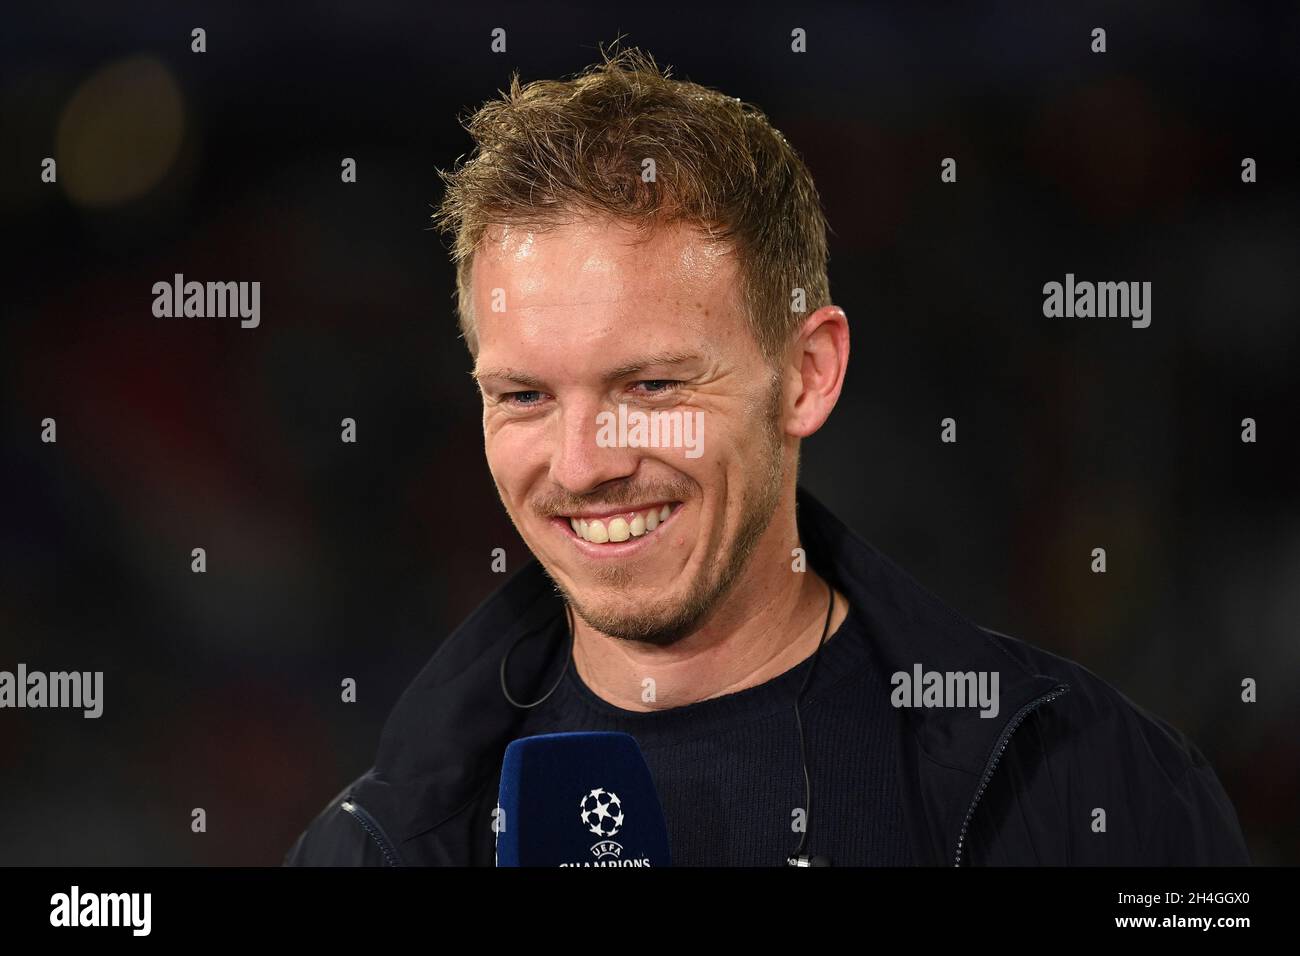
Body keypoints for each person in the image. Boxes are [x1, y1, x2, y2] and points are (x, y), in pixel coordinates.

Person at [284, 47, 1249, 866]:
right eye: (526, 397)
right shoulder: (377, 843)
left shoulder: (1090, 785)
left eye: (651, 387)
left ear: (807, 375)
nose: (582, 465)